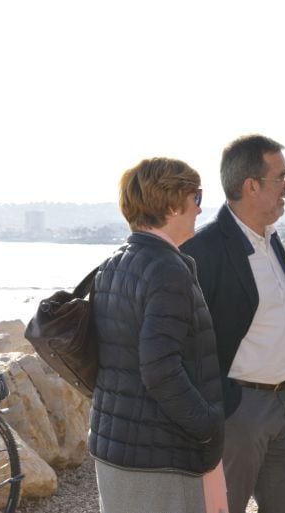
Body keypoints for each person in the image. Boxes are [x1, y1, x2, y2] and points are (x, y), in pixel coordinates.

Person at [180, 134, 285, 513]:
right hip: (237, 411)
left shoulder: (270, 240)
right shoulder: (201, 251)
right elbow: (183, 343)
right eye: (281, 177)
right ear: (251, 186)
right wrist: (215, 407)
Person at [88, 157, 226, 513]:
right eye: (196, 197)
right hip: (161, 456)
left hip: (116, 447)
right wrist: (207, 424)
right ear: (170, 203)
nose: (200, 208)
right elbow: (161, 370)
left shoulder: (114, 264)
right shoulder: (166, 270)